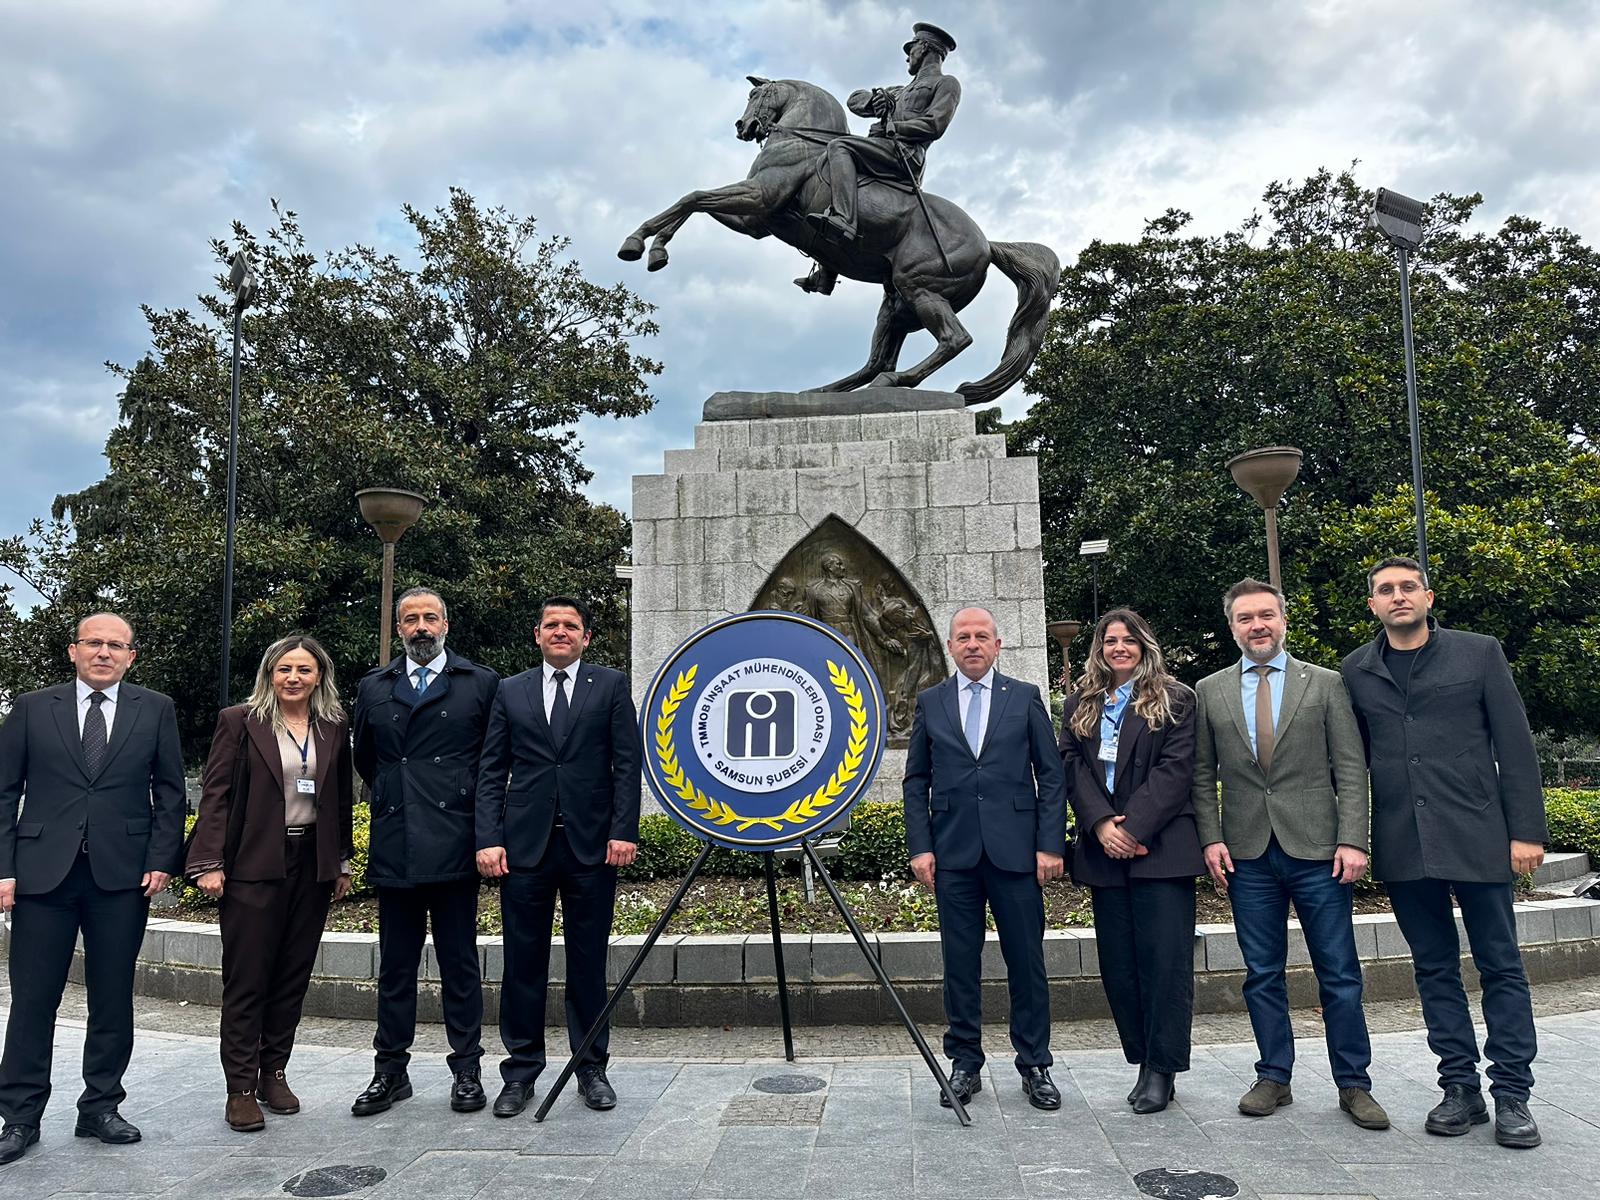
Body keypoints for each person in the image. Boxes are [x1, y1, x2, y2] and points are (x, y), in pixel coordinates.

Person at [1342, 556, 1548, 1149]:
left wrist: (1526, 831)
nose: (1398, 596)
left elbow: (1515, 742)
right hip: (1405, 842)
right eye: (1386, 590)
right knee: (1433, 970)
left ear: (1428, 597)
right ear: (1374, 605)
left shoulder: (1478, 653)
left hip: (1478, 834)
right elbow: (1352, 764)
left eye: (1408, 587)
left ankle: (1513, 1094)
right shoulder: (1356, 670)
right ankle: (1460, 1088)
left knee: (1501, 966)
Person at [1192, 580, 1387, 1130]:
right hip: (1248, 853)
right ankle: (1273, 1075)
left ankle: (1354, 1085)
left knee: (1340, 973)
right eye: (1246, 618)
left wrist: (1354, 839)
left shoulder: (1325, 684)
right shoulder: (1210, 690)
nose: (1257, 626)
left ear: (1283, 620)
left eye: (1267, 616)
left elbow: (1350, 768)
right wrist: (1211, 837)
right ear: (1232, 626)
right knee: (1261, 972)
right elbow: (1202, 775)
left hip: (1320, 852)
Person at [0, 614, 184, 1163]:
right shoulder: (33, 708)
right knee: (33, 999)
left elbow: (171, 791)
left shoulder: (155, 709)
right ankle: (20, 1117)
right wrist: (3, 868)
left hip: (121, 876)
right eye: (93, 643)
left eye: (116, 645)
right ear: (73, 651)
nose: (103, 652)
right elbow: (4, 792)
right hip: (41, 876)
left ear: (132, 656)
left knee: (111, 995)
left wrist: (161, 860)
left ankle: (100, 1106)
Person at [475, 597, 640, 1117]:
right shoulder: (511, 690)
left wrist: (623, 830)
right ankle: (520, 1073)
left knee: (588, 964)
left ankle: (591, 1069)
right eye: (552, 625)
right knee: (523, 964)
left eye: (571, 626)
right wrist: (489, 837)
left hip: (591, 848)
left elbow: (626, 765)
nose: (561, 632)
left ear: (586, 637)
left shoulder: (610, 686)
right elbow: (491, 769)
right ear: (538, 633)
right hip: (525, 850)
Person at [186, 634, 354, 1132]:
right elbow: (215, 794)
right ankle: (239, 1087)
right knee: (248, 978)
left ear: (318, 676)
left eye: (303, 670)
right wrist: (208, 862)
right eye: (284, 670)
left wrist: (341, 861)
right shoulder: (239, 721)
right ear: (269, 674)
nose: (293, 678)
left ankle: (273, 1072)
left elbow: (340, 798)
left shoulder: (333, 726)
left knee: (291, 976)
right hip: (253, 863)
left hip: (313, 864)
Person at [902, 606, 1067, 1110]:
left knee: (1027, 961)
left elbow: (1051, 775)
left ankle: (1035, 1064)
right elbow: (916, 781)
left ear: (998, 646)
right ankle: (964, 1063)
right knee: (959, 963)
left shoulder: (1025, 698)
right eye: (963, 637)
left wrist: (1049, 845)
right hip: (953, 856)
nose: (972, 644)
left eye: (982, 637)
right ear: (950, 647)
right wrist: (921, 846)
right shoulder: (931, 702)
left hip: (1016, 853)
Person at [349, 588, 499, 1119]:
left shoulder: (479, 683)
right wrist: (398, 795)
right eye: (410, 619)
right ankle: (390, 1072)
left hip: (456, 843)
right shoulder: (374, 686)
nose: (420, 627)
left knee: (460, 966)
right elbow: (368, 759)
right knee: (395, 968)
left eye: (429, 618)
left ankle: (467, 1070)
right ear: (398, 628)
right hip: (397, 842)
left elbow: (492, 766)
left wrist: (484, 832)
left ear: (446, 624)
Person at [1059, 609, 1199, 1114]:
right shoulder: (1081, 703)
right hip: (1105, 853)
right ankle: (1142, 1059)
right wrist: (1101, 825)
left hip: (1161, 849)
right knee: (1120, 968)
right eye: (1110, 640)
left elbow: (1176, 770)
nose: (1120, 648)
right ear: (1099, 647)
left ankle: (1163, 1069)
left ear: (1144, 645)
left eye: (1129, 640)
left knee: (1165, 964)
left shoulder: (1177, 698)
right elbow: (1071, 766)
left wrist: (1133, 828)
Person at [798, 22, 961, 293]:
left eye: (911, 48)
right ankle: (826, 273)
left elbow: (936, 125)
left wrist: (896, 127)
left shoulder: (946, 84)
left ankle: (844, 221)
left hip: (905, 155)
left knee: (840, 148)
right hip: (880, 150)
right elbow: (854, 100)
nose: (908, 55)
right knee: (832, 181)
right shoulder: (899, 90)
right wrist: (875, 100)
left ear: (924, 48)